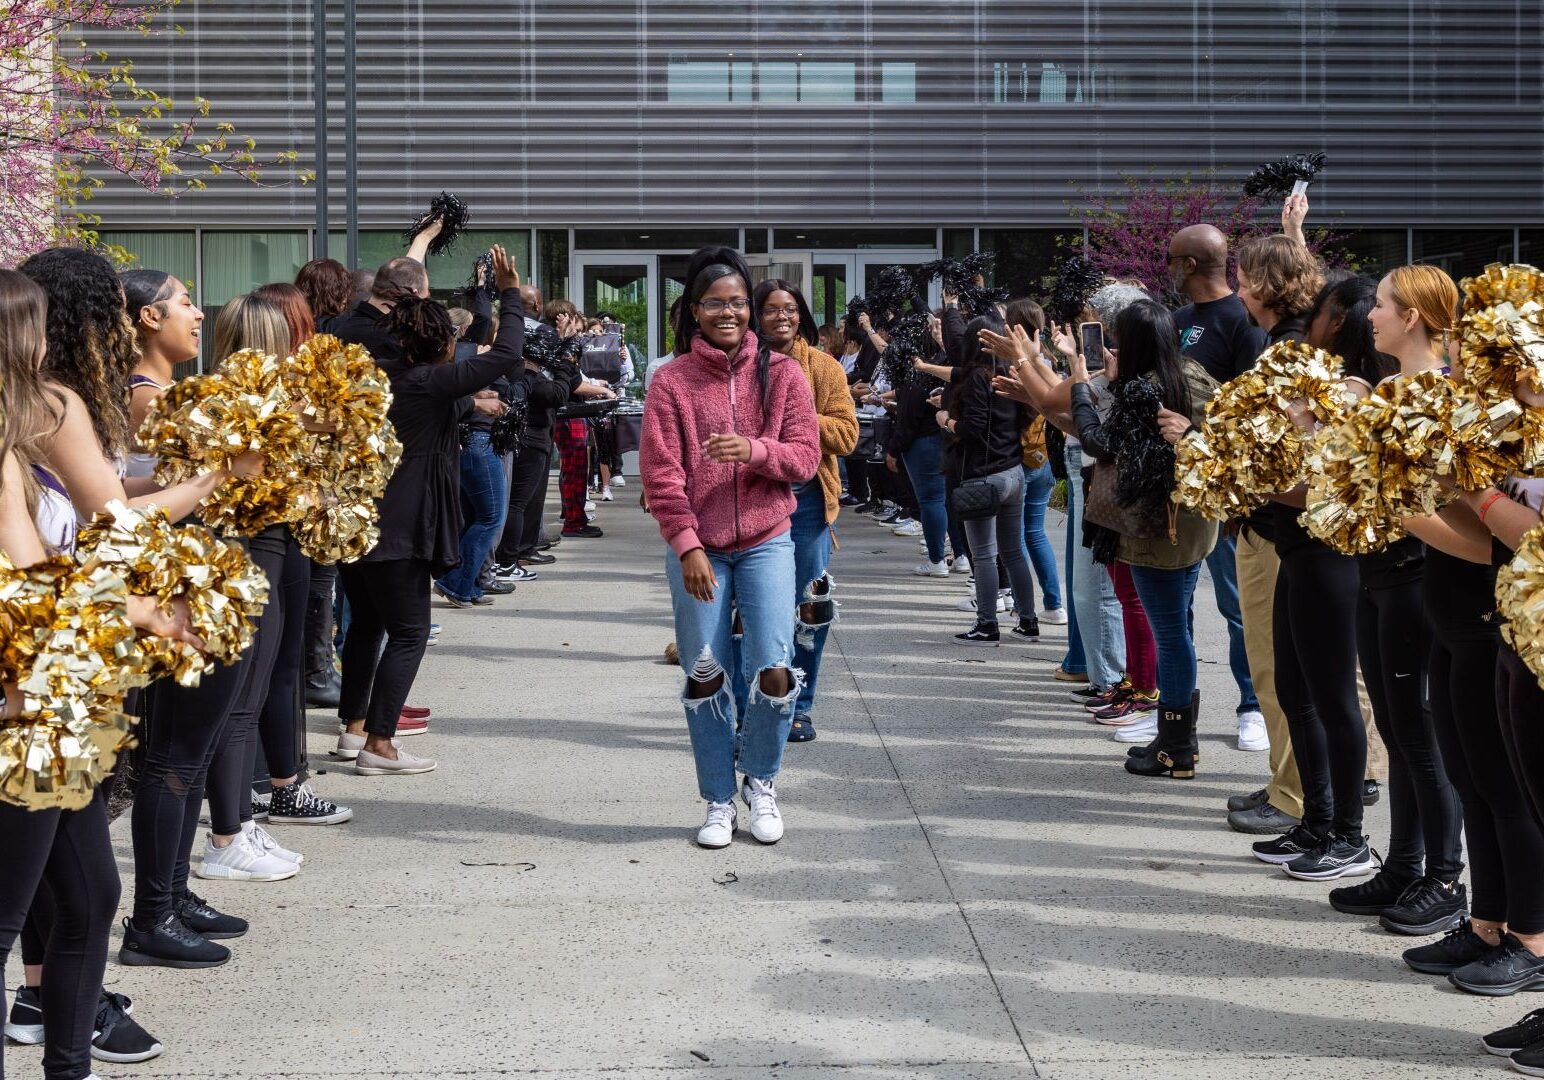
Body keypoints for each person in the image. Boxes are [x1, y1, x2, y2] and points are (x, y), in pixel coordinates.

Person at [0, 267, 196, 1076]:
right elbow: (30, 576)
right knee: (8, 920)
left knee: (89, 899)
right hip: (21, 714)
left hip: (52, 704)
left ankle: (68, 1066)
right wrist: (139, 613)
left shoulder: (18, 437)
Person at [1369, 265, 1544, 993]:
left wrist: (1413, 505)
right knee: (1474, 777)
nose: (1465, 350)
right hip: (1464, 618)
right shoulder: (1482, 414)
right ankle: (1486, 922)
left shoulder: (1511, 423)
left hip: (1487, 615)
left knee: (1509, 790)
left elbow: (1500, 541)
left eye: (1482, 341)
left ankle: (1529, 941)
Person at [1295, 276, 1466, 928]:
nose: (1372, 316)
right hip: (1378, 577)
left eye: (1385, 306)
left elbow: (1424, 500)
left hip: (1415, 583)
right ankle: (1404, 866)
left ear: (1413, 317)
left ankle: (1445, 880)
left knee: (1420, 738)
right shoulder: (1391, 391)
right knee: (1396, 733)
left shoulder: (1435, 396)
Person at [639, 246, 820, 848]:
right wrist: (687, 545)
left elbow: (805, 458)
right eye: (715, 303)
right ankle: (718, 799)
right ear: (694, 311)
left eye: (738, 302)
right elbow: (661, 474)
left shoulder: (785, 374)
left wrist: (756, 450)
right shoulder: (671, 381)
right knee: (706, 675)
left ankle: (761, 782)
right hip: (702, 548)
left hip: (768, 539)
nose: (729, 312)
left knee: (772, 670)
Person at [335, 245, 525, 775]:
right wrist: (508, 294)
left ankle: (354, 728)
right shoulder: (427, 380)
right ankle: (379, 744)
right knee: (411, 631)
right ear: (439, 343)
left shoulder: (376, 377)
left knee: (368, 624)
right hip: (403, 521)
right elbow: (507, 354)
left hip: (360, 519)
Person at [1066, 300, 1219, 779]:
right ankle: (1178, 737)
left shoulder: (1140, 389)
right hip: (1194, 521)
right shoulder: (1195, 375)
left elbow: (1098, 443)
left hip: (1155, 528)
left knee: (1170, 635)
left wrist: (1081, 391)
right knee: (1181, 629)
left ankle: (1176, 748)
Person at [1168, 224, 1272, 760]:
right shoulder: (1179, 322)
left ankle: (1251, 705)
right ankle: (1177, 711)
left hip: (1227, 490)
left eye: (1171, 260)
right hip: (1180, 486)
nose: (1166, 268)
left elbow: (1252, 416)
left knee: (1238, 607)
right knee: (1178, 600)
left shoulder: (1243, 324)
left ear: (1189, 265)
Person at [750, 278, 858, 743]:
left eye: (790, 309)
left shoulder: (825, 368)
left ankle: (801, 703)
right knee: (751, 608)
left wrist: (795, 412)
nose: (782, 317)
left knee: (809, 607)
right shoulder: (739, 368)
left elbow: (847, 436)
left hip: (809, 501)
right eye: (771, 309)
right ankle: (758, 701)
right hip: (751, 498)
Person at [944, 311, 1038, 645]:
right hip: (1013, 471)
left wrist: (946, 420)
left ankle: (987, 623)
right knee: (1013, 551)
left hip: (983, 476)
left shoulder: (976, 379)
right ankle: (1028, 619)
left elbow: (972, 428)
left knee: (983, 554)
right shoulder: (1013, 373)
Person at [490, 285, 583, 577]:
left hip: (537, 430)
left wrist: (566, 349)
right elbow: (554, 393)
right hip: (527, 432)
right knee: (519, 500)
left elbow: (569, 379)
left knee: (527, 498)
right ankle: (510, 558)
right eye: (544, 340)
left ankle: (522, 551)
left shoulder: (535, 362)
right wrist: (564, 354)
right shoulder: (524, 366)